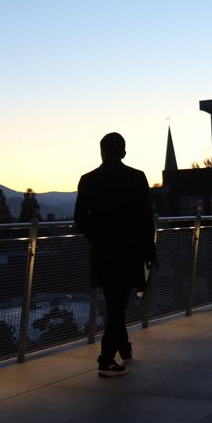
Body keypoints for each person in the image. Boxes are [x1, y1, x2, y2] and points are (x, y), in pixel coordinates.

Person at [74, 132, 156, 377]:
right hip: (130, 251)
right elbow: (145, 218)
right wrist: (148, 249)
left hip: (103, 252)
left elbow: (80, 219)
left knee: (114, 302)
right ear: (123, 152)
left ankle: (124, 347)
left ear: (102, 152)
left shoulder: (88, 180)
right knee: (118, 304)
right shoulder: (136, 178)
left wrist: (98, 238)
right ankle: (106, 358)